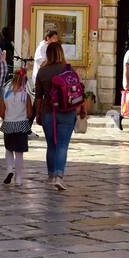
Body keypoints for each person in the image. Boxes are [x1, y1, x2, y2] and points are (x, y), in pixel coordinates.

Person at [35, 41, 86, 190]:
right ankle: (59, 176)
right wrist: (82, 109)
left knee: (51, 145)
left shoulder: (42, 71)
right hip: (67, 112)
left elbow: (38, 97)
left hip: (48, 112)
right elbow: (79, 91)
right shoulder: (69, 69)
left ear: (48, 54)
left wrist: (38, 114)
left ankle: (51, 176)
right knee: (62, 145)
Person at [0, 63, 33, 186]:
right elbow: (29, 114)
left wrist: (7, 117)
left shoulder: (6, 94)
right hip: (21, 125)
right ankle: (18, 178)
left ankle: (9, 169)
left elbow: (1, 111)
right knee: (19, 152)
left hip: (8, 124)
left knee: (9, 149)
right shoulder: (26, 96)